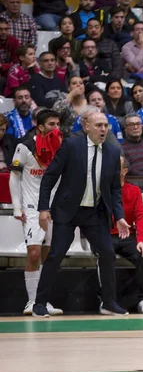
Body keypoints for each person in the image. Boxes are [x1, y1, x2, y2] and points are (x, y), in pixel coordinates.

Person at [32, 112, 131, 317]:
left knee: (107, 253)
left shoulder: (113, 151)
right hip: (68, 210)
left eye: (106, 125)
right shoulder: (71, 145)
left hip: (95, 212)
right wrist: (43, 208)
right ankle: (39, 303)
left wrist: (119, 216)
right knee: (56, 255)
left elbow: (114, 189)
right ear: (86, 126)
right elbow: (49, 177)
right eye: (98, 125)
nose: (103, 129)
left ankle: (109, 302)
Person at [9, 109, 64, 316]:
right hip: (31, 209)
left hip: (52, 209)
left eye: (58, 124)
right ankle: (31, 302)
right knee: (33, 253)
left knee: (48, 256)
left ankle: (43, 301)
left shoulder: (61, 146)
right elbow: (14, 177)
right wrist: (17, 206)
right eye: (52, 124)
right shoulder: (24, 146)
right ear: (40, 126)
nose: (56, 128)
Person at [111, 156, 143, 313]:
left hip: (128, 236)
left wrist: (141, 240)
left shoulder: (134, 191)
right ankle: (106, 299)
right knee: (105, 254)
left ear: (124, 171)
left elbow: (141, 217)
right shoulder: (103, 190)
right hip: (107, 236)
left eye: (116, 167)